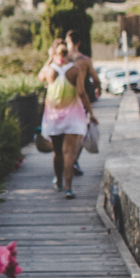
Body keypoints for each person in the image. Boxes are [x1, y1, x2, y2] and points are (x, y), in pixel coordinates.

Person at [38, 42, 97, 199]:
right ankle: (69, 188)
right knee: (69, 152)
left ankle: (58, 180)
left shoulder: (49, 70)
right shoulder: (75, 69)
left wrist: (49, 59)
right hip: (73, 116)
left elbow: (39, 77)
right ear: (68, 55)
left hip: (53, 117)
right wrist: (90, 113)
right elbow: (82, 92)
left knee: (57, 152)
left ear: (56, 54)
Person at [64, 29, 101, 176]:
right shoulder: (84, 60)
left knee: (63, 133)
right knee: (79, 132)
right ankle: (73, 160)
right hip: (78, 101)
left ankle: (65, 161)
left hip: (61, 101)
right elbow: (95, 78)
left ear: (67, 41)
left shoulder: (61, 59)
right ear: (79, 42)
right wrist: (98, 88)